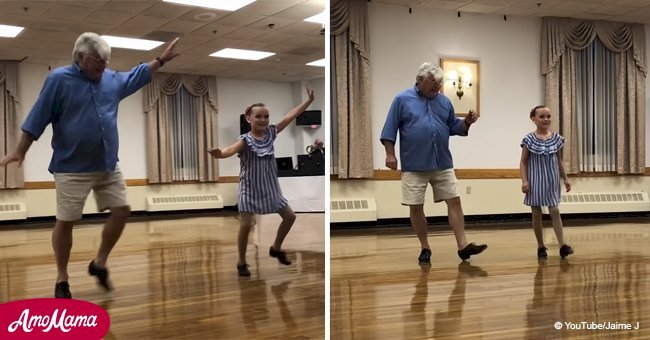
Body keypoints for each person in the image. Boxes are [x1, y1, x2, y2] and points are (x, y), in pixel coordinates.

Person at [0, 32, 180, 298]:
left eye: (106, 61)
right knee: (66, 221)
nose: (103, 66)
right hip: (71, 166)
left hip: (107, 164)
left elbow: (136, 75)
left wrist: (160, 60)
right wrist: (19, 150)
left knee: (122, 211)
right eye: (98, 61)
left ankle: (99, 263)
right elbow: (38, 117)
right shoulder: (58, 80)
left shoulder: (110, 79)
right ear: (80, 57)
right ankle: (62, 278)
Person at [379, 62, 487, 265]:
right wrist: (390, 154)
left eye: (439, 83)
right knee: (416, 206)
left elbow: (455, 127)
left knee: (454, 200)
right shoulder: (402, 99)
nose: (436, 87)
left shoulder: (444, 101)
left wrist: (467, 123)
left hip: (442, 162)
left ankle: (463, 246)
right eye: (432, 83)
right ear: (419, 81)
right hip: (414, 164)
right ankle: (425, 247)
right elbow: (389, 129)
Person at [207, 86, 315, 277]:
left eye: (266, 116)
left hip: (270, 186)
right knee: (246, 225)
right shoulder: (245, 141)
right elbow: (229, 150)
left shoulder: (272, 133)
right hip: (249, 187)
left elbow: (290, 116)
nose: (263, 120)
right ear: (249, 118)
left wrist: (308, 102)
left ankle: (276, 248)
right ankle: (241, 261)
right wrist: (219, 154)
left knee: (290, 217)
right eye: (259, 116)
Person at [519, 105, 573, 259]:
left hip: (552, 179)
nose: (546, 119)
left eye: (548, 116)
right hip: (535, 180)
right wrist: (524, 181)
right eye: (542, 117)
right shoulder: (528, 140)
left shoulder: (556, 138)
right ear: (533, 119)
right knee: (537, 213)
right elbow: (523, 162)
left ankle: (563, 245)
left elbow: (559, 160)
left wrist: (566, 179)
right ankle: (541, 246)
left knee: (555, 210)